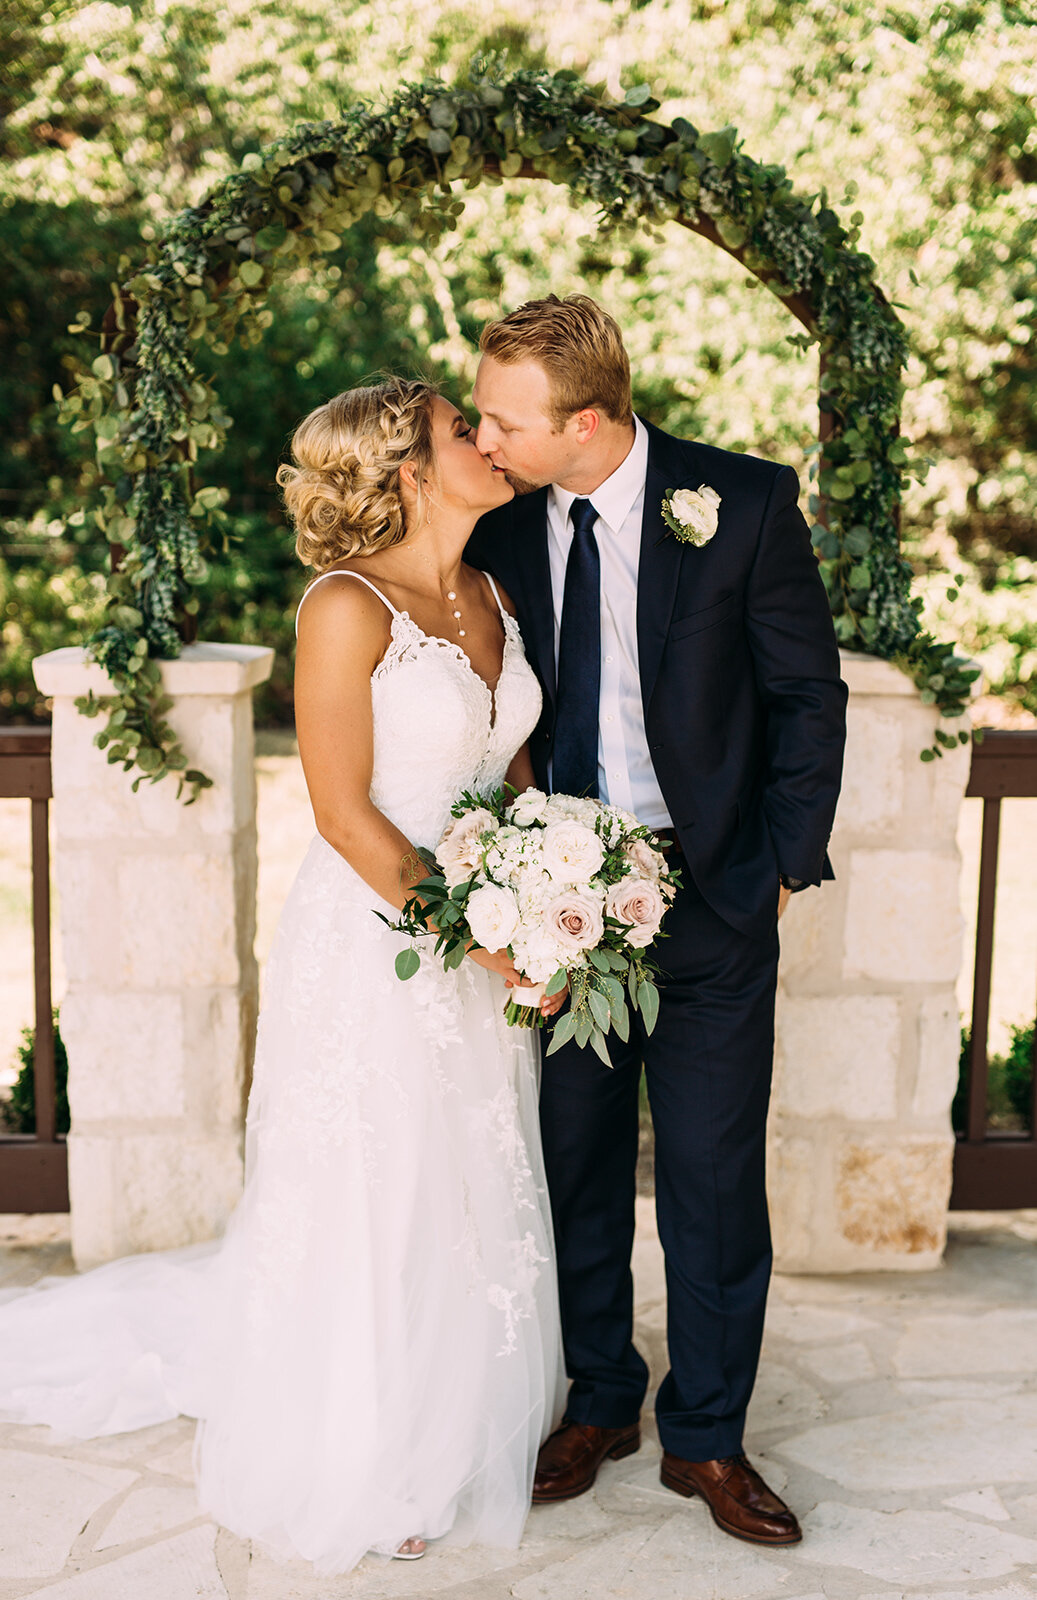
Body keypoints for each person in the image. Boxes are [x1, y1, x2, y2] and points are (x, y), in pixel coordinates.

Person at [0, 378, 565, 1573]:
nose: (488, 437)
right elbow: (344, 814)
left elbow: (511, 778)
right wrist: (483, 933)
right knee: (374, 1182)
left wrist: (554, 902)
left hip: (480, 934)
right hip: (377, 942)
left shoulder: (491, 591)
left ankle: (449, 1413)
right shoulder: (344, 608)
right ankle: (365, 1448)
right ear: (410, 468)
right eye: (464, 427)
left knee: (459, 1179)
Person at [466, 294, 847, 1547]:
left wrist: (776, 869)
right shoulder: (503, 527)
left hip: (718, 899)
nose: (484, 437)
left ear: (582, 420)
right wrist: (521, 880)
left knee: (710, 1177)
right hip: (561, 910)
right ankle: (601, 1400)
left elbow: (804, 695)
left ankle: (707, 1436)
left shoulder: (737, 503)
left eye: (502, 419)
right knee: (574, 1160)